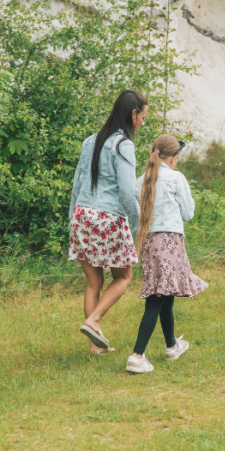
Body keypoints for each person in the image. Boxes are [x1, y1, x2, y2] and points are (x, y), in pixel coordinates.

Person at [68, 90, 148, 355]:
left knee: (94, 283)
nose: (143, 123)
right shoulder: (123, 145)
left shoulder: (90, 140)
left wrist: (72, 218)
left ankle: (95, 346)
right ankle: (94, 320)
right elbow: (126, 193)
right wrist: (138, 228)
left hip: (81, 215)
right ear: (133, 114)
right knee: (124, 276)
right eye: (143, 117)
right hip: (107, 217)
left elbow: (77, 183)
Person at [125, 135, 207, 374]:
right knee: (157, 296)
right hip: (169, 240)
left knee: (164, 291)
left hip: (148, 242)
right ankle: (137, 355)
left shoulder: (139, 181)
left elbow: (134, 216)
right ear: (173, 158)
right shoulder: (175, 178)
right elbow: (188, 212)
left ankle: (172, 345)